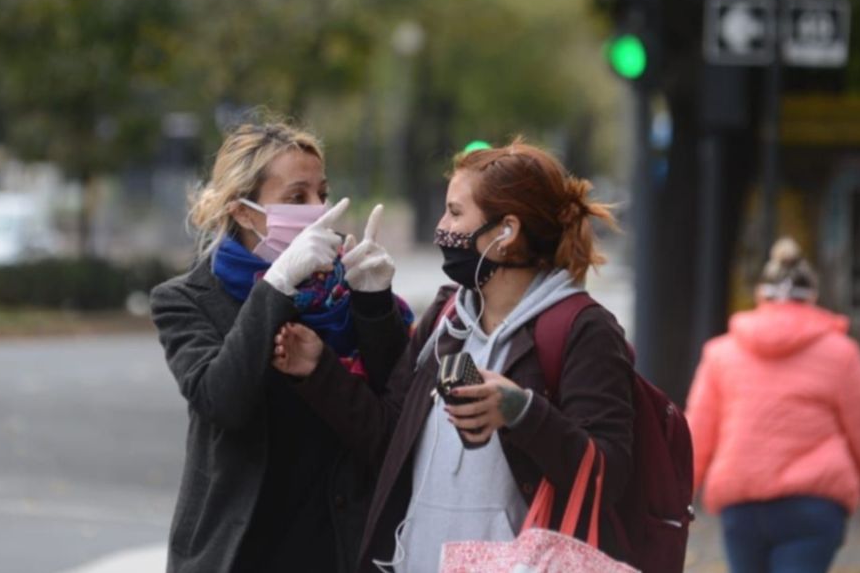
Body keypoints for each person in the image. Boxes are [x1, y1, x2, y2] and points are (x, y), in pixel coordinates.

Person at [272, 139, 638, 572]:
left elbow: (608, 475)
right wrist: (319, 371)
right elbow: (390, 437)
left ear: (506, 233)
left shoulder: (582, 330)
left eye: (456, 213)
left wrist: (522, 412)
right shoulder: (447, 316)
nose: (442, 227)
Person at [150, 120, 413, 573]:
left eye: (322, 194)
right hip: (241, 550)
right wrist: (276, 285)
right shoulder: (186, 299)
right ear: (244, 212)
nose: (318, 209)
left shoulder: (344, 290)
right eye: (296, 197)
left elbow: (391, 413)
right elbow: (222, 400)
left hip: (337, 545)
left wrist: (373, 301)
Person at [685, 237, 860, 573]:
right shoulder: (841, 353)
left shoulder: (721, 353)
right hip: (814, 506)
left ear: (760, 296)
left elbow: (696, 435)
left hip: (741, 507)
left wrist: (678, 501)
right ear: (812, 297)